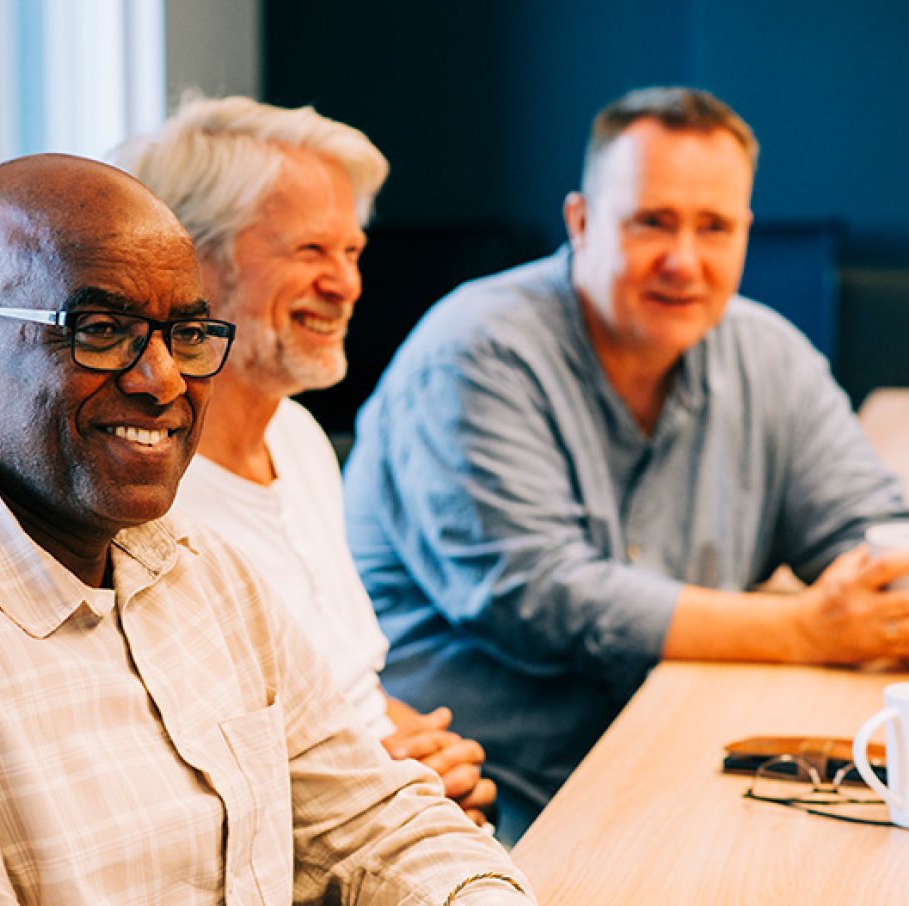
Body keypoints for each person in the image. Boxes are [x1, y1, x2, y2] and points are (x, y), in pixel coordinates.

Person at [0, 154, 531, 904]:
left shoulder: (197, 566)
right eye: (100, 331)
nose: (163, 379)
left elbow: (373, 825)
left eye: (186, 332)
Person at [341, 85, 909, 840]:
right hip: (477, 792)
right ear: (580, 222)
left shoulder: (768, 352)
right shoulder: (475, 351)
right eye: (652, 222)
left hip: (676, 756)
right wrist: (804, 630)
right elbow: (542, 598)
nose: (684, 260)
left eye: (714, 227)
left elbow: (865, 527)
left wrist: (883, 588)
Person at [112, 94, 496, 828]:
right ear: (190, 263)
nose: (347, 284)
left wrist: (425, 753)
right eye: (310, 251)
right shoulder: (146, 496)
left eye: (352, 252)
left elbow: (347, 687)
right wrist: (391, 781)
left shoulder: (299, 437)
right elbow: (185, 791)